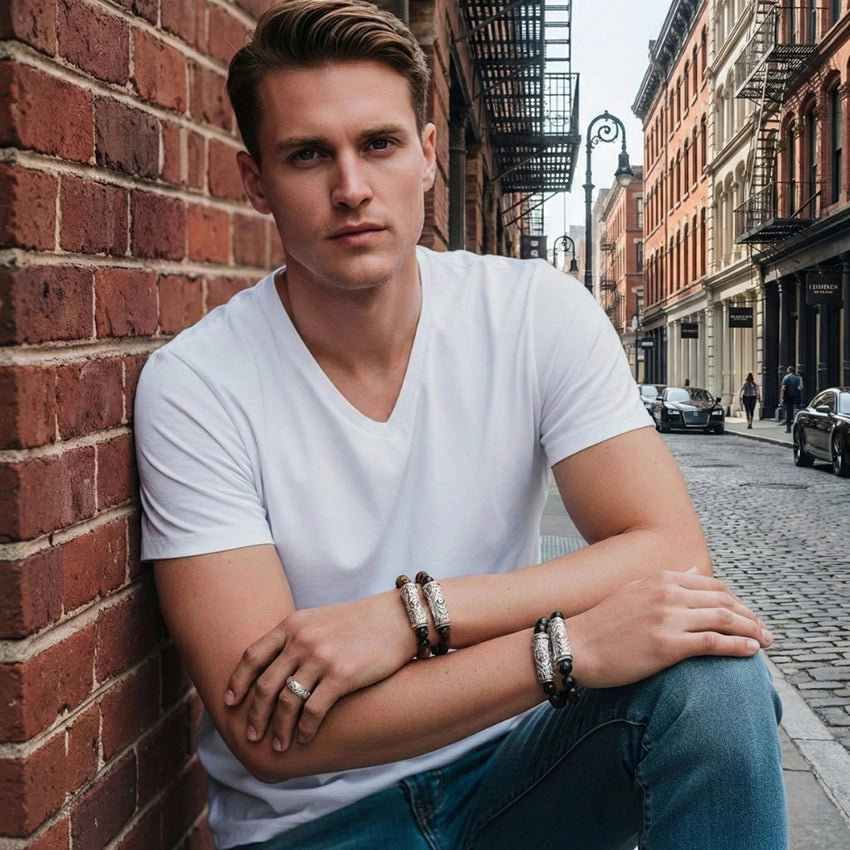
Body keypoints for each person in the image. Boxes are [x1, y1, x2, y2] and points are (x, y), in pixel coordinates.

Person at [134, 3, 786, 848]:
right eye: (307, 155)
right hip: (320, 828)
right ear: (255, 181)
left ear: (430, 155)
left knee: (715, 676)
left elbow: (669, 551)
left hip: (517, 778)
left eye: (379, 144)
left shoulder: (531, 312)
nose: (351, 188)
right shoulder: (196, 385)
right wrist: (566, 649)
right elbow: (271, 738)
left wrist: (413, 616)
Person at [780, 365, 803, 433]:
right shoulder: (799, 378)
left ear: (789, 371)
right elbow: (801, 387)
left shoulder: (786, 377)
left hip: (788, 397)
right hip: (796, 397)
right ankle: (797, 428)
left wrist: (782, 397)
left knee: (788, 412)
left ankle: (788, 428)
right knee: (796, 411)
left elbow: (783, 388)